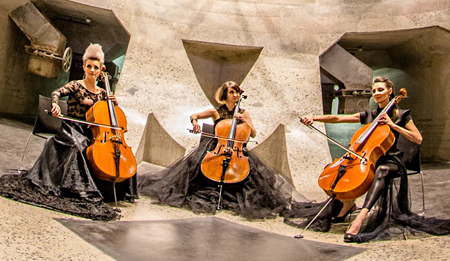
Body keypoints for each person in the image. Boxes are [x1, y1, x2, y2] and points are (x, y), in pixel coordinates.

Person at [300, 76, 450, 242]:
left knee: (382, 170)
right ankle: (348, 203)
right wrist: (314, 118)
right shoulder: (370, 115)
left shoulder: (402, 115)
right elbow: (338, 118)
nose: (377, 93)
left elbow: (418, 138)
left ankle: (360, 218)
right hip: (367, 159)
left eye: (380, 89)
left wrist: (393, 126)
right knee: (334, 170)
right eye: (374, 91)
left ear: (390, 91)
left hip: (392, 161)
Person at [138, 81, 315, 220]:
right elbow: (195, 116)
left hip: (238, 150)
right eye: (232, 92)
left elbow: (252, 134)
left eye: (237, 92)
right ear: (225, 94)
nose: (236, 94)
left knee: (253, 175)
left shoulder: (244, 113)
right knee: (194, 165)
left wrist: (244, 121)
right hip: (216, 148)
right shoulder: (216, 112)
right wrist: (194, 123)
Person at [0, 43, 137, 221]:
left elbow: (109, 120)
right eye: (89, 66)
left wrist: (114, 103)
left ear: (101, 69)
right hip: (71, 129)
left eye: (96, 68)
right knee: (78, 147)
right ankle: (78, 189)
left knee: (113, 151)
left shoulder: (103, 93)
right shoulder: (75, 86)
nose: (92, 70)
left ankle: (115, 190)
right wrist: (55, 104)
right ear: (84, 67)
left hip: (91, 132)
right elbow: (56, 92)